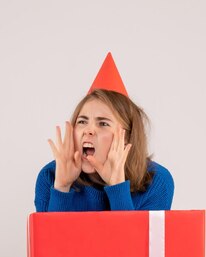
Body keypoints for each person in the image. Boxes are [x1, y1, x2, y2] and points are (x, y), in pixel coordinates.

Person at [34, 53, 174, 212]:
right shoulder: (50, 176)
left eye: (103, 123)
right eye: (82, 121)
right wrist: (62, 188)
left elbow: (131, 238)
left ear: (127, 137)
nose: (89, 130)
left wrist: (117, 188)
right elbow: (50, 237)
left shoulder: (157, 181)